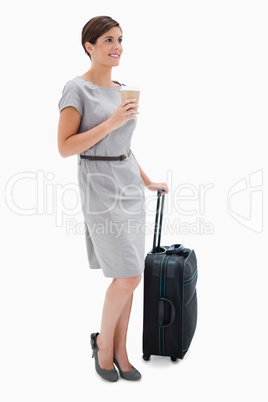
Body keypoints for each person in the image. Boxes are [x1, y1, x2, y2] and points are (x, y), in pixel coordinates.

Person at [57, 16, 169, 382]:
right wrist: (111, 122)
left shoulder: (123, 89)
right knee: (127, 275)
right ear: (89, 46)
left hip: (129, 187)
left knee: (132, 275)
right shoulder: (76, 89)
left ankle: (121, 350)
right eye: (108, 40)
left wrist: (148, 181)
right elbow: (64, 147)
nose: (117, 46)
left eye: (120, 39)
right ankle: (104, 346)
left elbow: (124, 148)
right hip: (99, 187)